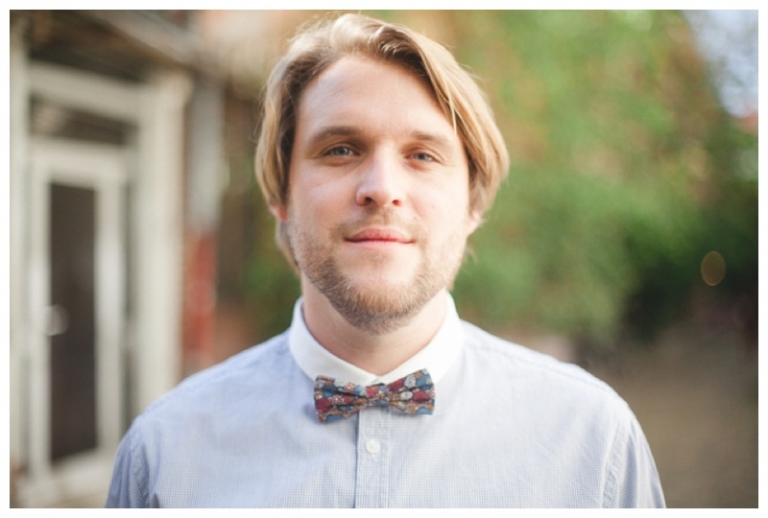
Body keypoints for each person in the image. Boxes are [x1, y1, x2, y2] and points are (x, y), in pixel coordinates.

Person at [106, 13, 665, 508]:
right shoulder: (165, 454)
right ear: (281, 193)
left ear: (472, 204)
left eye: (422, 155)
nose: (381, 188)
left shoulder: (592, 440)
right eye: (341, 149)